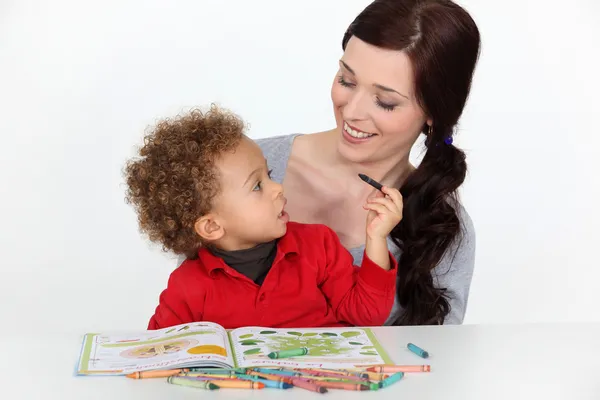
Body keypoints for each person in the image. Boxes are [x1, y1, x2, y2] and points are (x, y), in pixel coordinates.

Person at [254, 0, 481, 325]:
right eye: (346, 80)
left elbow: (437, 364)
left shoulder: (442, 228)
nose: (352, 111)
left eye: (385, 102)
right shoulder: (247, 167)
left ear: (434, 113)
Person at [124, 105, 404, 330]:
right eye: (257, 186)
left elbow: (367, 315)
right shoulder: (188, 287)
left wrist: (376, 238)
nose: (278, 187)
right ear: (211, 225)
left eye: (269, 176)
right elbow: (161, 354)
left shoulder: (319, 246)